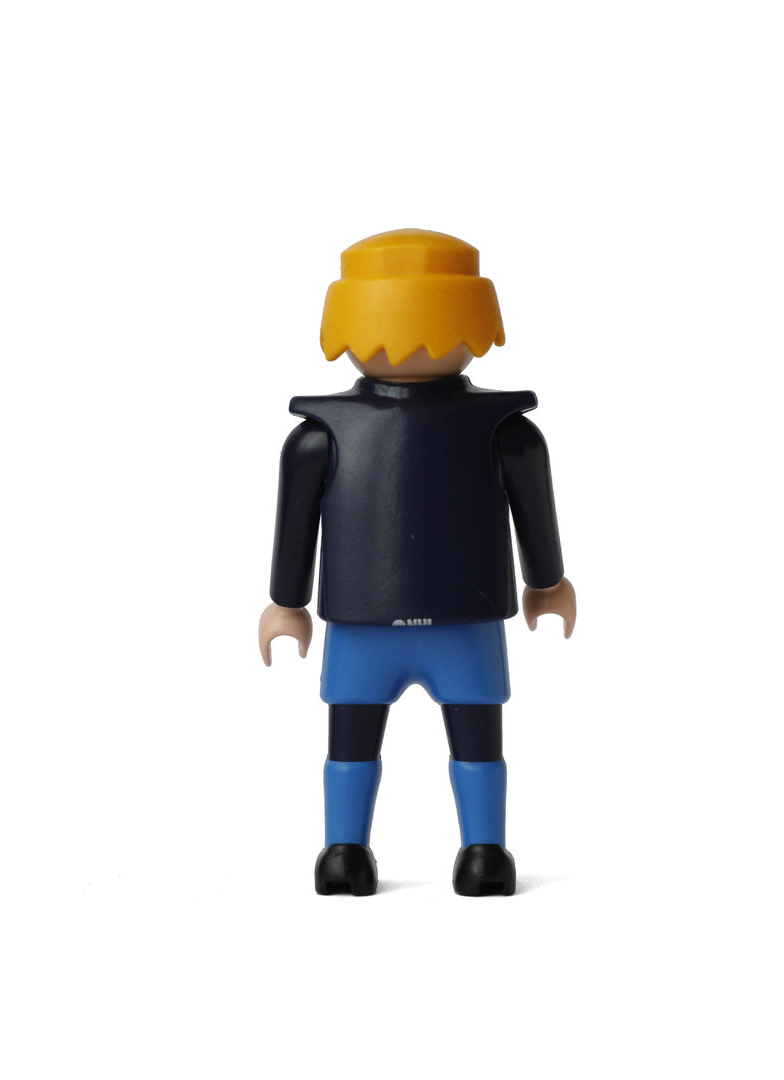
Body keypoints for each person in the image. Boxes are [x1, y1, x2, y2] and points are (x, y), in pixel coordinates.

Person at [259, 229, 575, 896]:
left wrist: (546, 581)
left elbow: (532, 509)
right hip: (410, 623)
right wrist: (286, 601)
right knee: (372, 739)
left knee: (458, 739)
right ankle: (359, 850)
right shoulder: (322, 436)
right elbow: (297, 522)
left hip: (428, 621)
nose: (411, 343)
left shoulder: (502, 433)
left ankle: (467, 850)